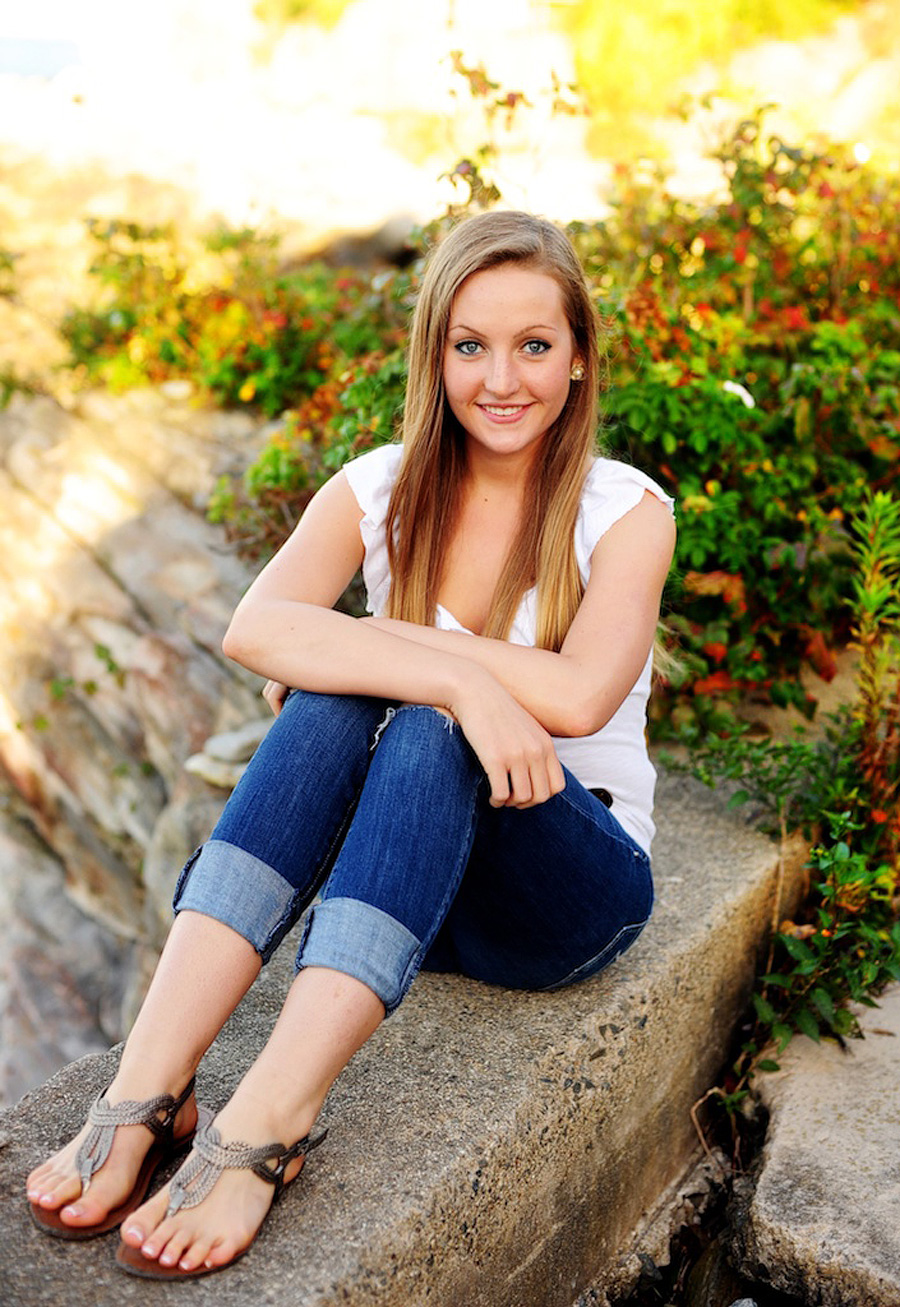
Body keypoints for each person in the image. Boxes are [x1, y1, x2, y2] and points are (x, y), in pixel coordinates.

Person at [25, 209, 676, 1279]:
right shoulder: (380, 485)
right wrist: (456, 670)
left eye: (534, 345)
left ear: (578, 359)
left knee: (414, 719)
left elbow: (577, 692)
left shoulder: (624, 512)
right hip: (412, 887)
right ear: (435, 354)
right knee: (338, 707)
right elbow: (254, 628)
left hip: (565, 886)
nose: (501, 376)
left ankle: (272, 1114)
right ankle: (152, 1082)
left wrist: (382, 646)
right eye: (470, 344)